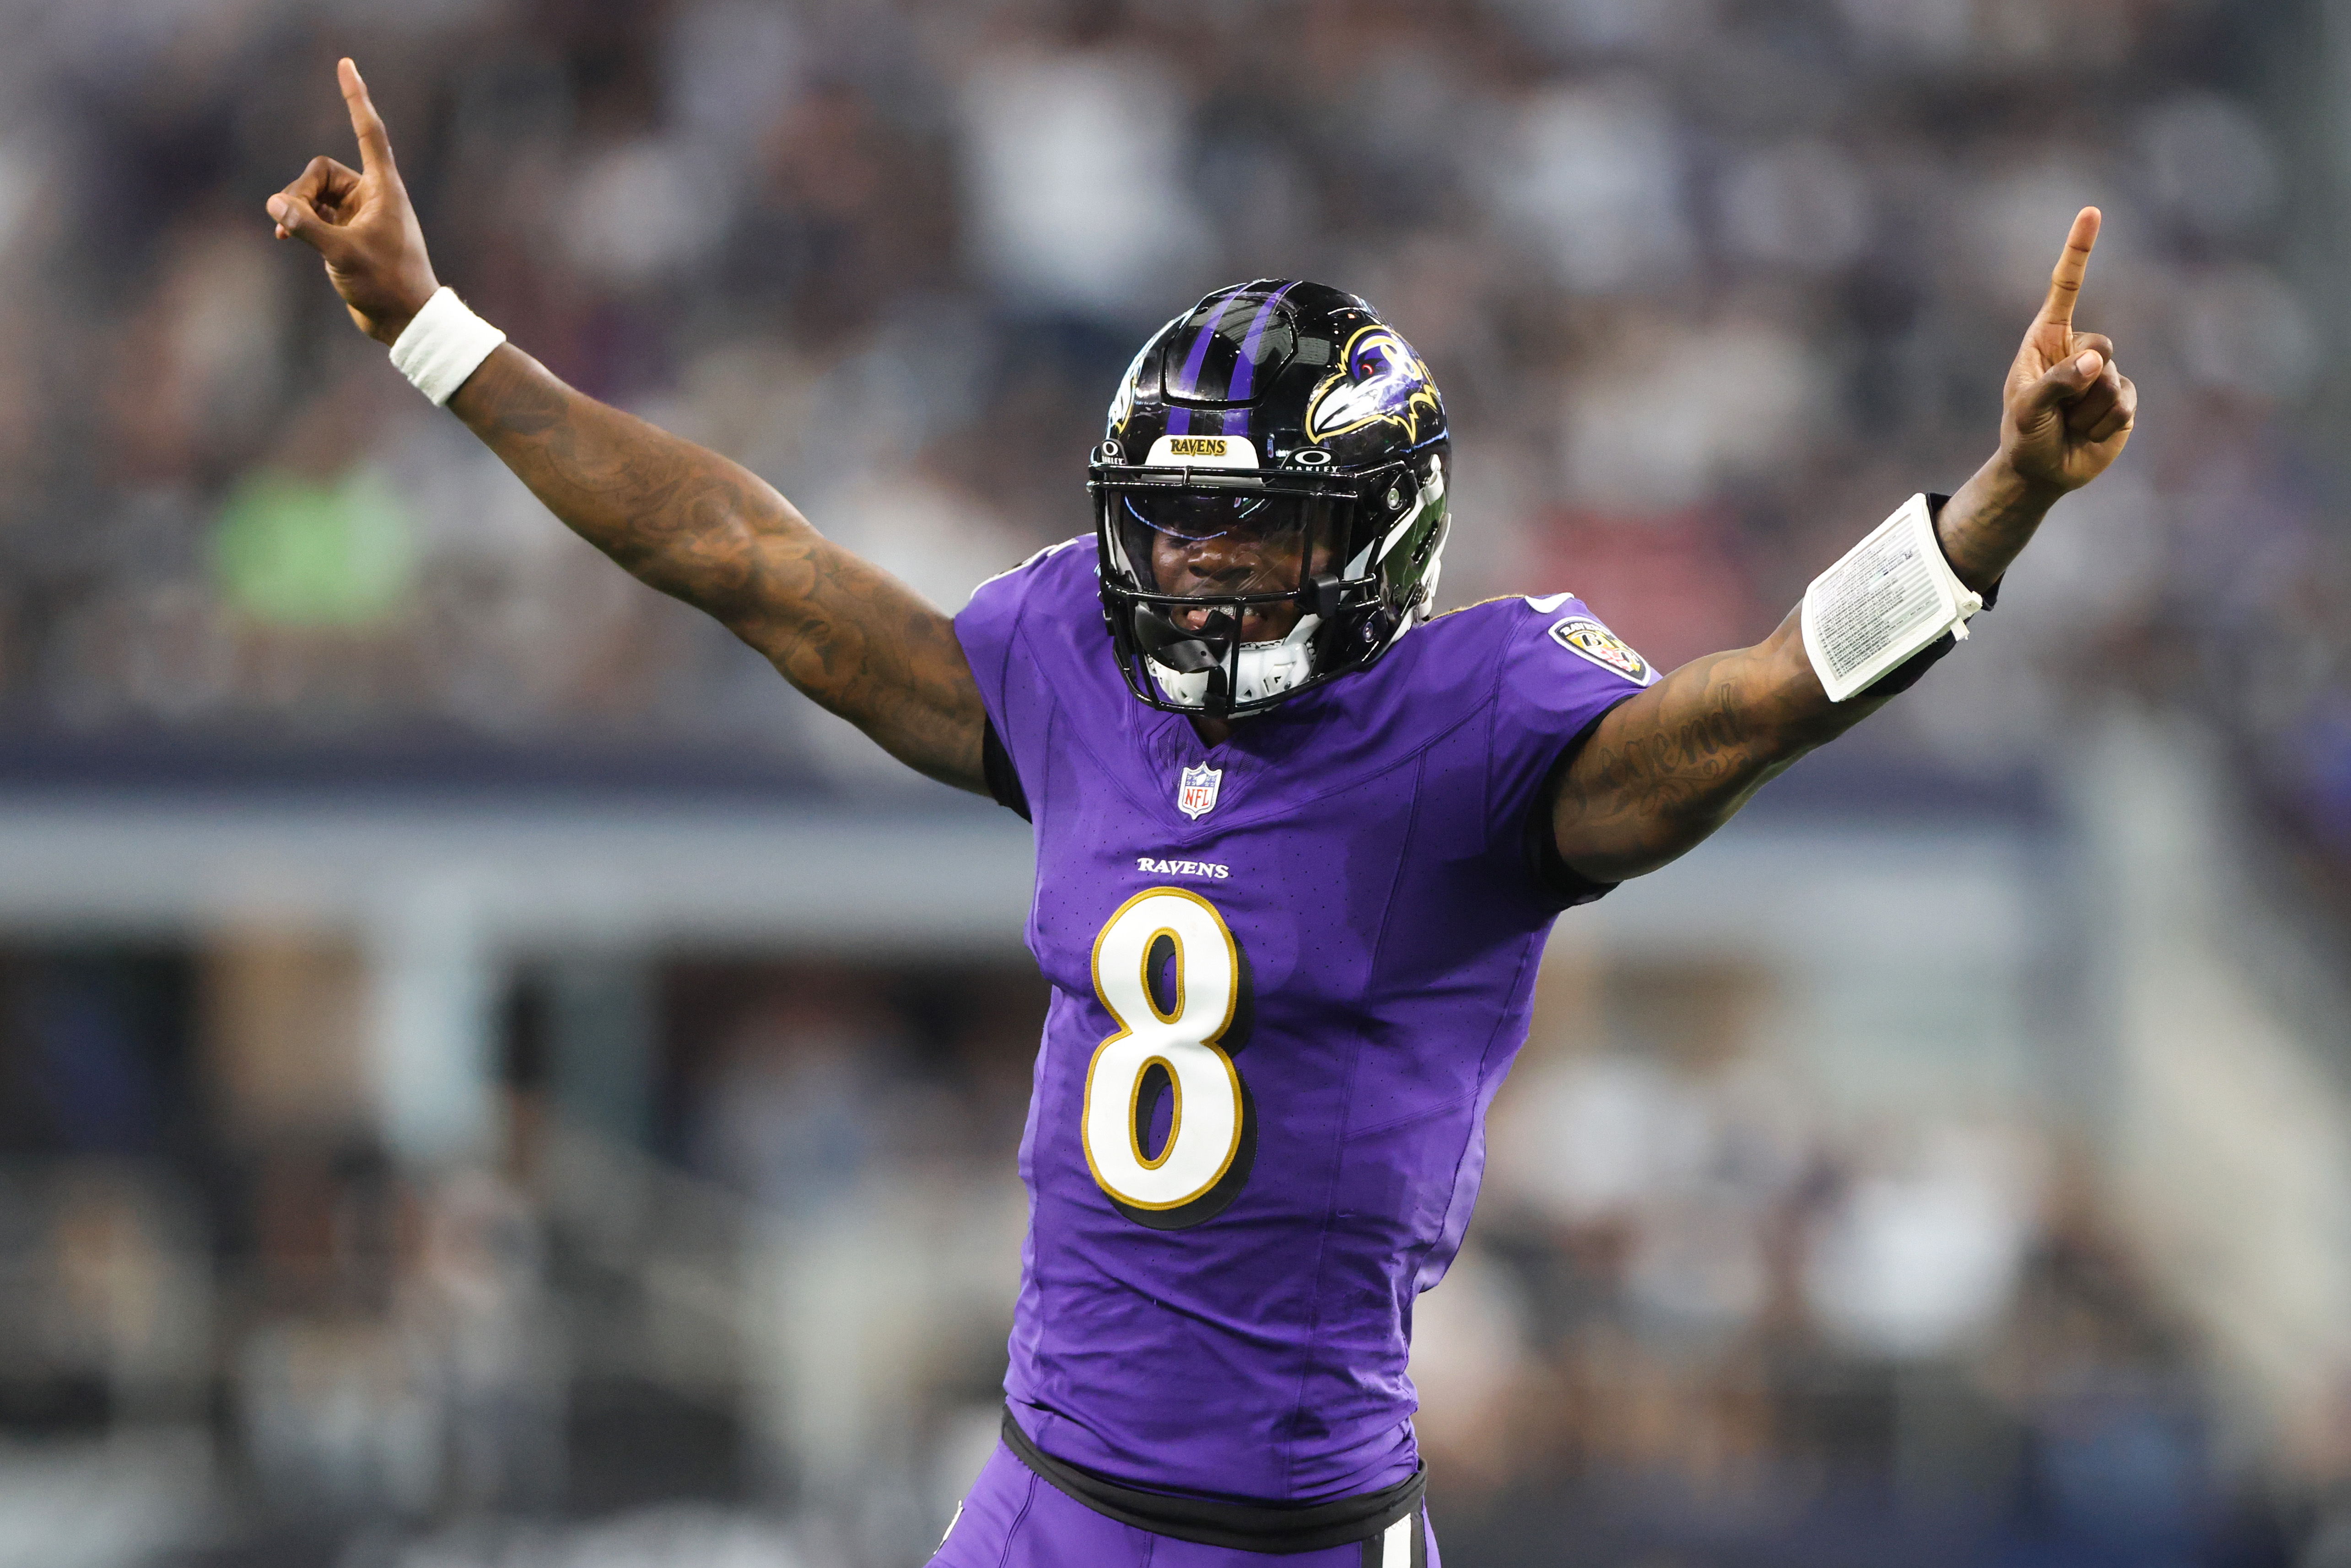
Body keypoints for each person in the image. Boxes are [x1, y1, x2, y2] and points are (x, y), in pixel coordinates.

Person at [268, 58, 2135, 1568]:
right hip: (1040, 1497)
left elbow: (1760, 700)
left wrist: (1991, 511)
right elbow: (741, 556)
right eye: (1171, 520)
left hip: (1294, 1533)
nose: (1199, 562)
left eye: (1257, 522)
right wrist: (430, 326)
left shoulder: (1477, 730)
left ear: (1379, 533)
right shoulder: (1070, 669)